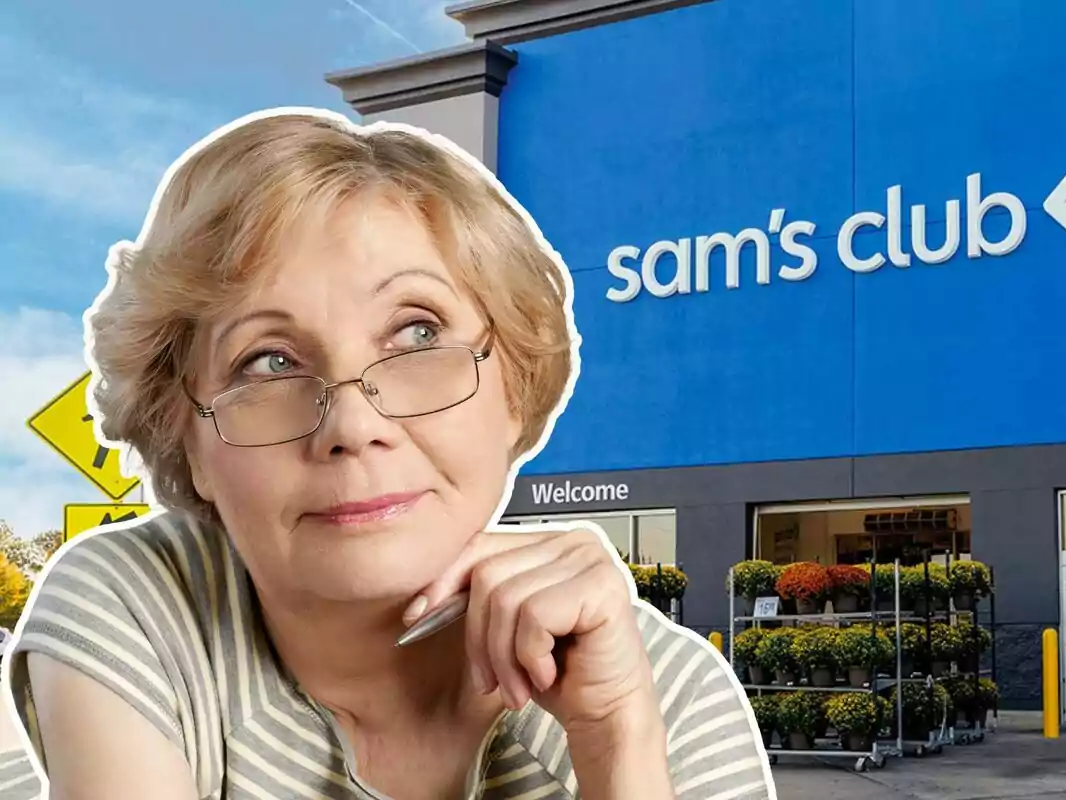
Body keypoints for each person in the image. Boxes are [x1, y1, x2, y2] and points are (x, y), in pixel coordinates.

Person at [0, 109, 775, 800]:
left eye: (418, 334)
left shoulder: (668, 698)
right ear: (187, 438)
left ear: (517, 387)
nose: (352, 422)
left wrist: (615, 748)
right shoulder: (140, 601)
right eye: (268, 362)